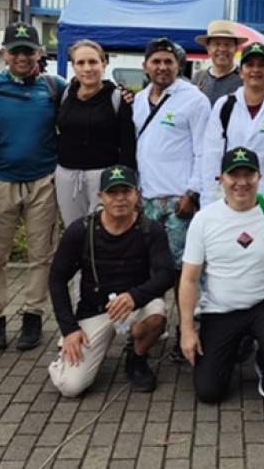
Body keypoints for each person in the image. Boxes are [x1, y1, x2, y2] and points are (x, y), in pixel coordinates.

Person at [179, 147, 264, 403]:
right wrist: (186, 329)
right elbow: (189, 278)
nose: (241, 182)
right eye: (233, 175)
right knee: (209, 392)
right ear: (221, 179)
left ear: (259, 177)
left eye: (248, 174)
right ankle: (238, 345)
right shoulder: (204, 219)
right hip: (220, 310)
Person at [0, 21, 67, 351]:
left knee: (41, 255)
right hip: (0, 180)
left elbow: (89, 102)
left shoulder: (55, 86)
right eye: (15, 51)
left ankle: (33, 317)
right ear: (4, 53)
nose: (22, 57)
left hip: (43, 180)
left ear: (39, 53)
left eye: (28, 51)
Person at [48, 166, 176, 396]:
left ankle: (136, 357)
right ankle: (67, 352)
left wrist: (134, 297)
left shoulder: (150, 229)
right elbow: (57, 279)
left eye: (125, 191)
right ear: (100, 197)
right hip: (96, 309)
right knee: (71, 387)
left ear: (137, 193)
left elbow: (166, 274)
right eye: (112, 192)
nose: (119, 198)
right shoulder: (81, 231)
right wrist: (69, 329)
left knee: (157, 316)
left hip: (136, 305)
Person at [133, 37, 211, 363]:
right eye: (156, 61)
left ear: (179, 65)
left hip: (180, 200)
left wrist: (192, 193)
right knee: (150, 268)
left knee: (184, 271)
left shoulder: (194, 99)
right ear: (146, 66)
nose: (162, 67)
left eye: (169, 61)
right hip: (147, 198)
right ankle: (149, 327)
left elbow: (204, 151)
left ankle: (186, 331)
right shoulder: (137, 100)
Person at [201, 42, 264, 207]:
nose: (256, 70)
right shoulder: (225, 105)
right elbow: (211, 158)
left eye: (262, 65)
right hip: (230, 199)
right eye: (250, 65)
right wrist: (209, 203)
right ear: (241, 72)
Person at [56, 39, 137, 229]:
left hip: (104, 177)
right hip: (67, 176)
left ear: (104, 63)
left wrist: (127, 186)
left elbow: (128, 145)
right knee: (73, 231)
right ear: (73, 66)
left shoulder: (118, 98)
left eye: (93, 62)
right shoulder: (66, 94)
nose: (87, 68)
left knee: (101, 232)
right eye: (80, 63)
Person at [192, 20, 247, 104]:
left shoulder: (244, 79)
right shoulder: (198, 78)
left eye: (227, 44)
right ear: (208, 48)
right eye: (217, 44)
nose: (222, 49)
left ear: (236, 48)